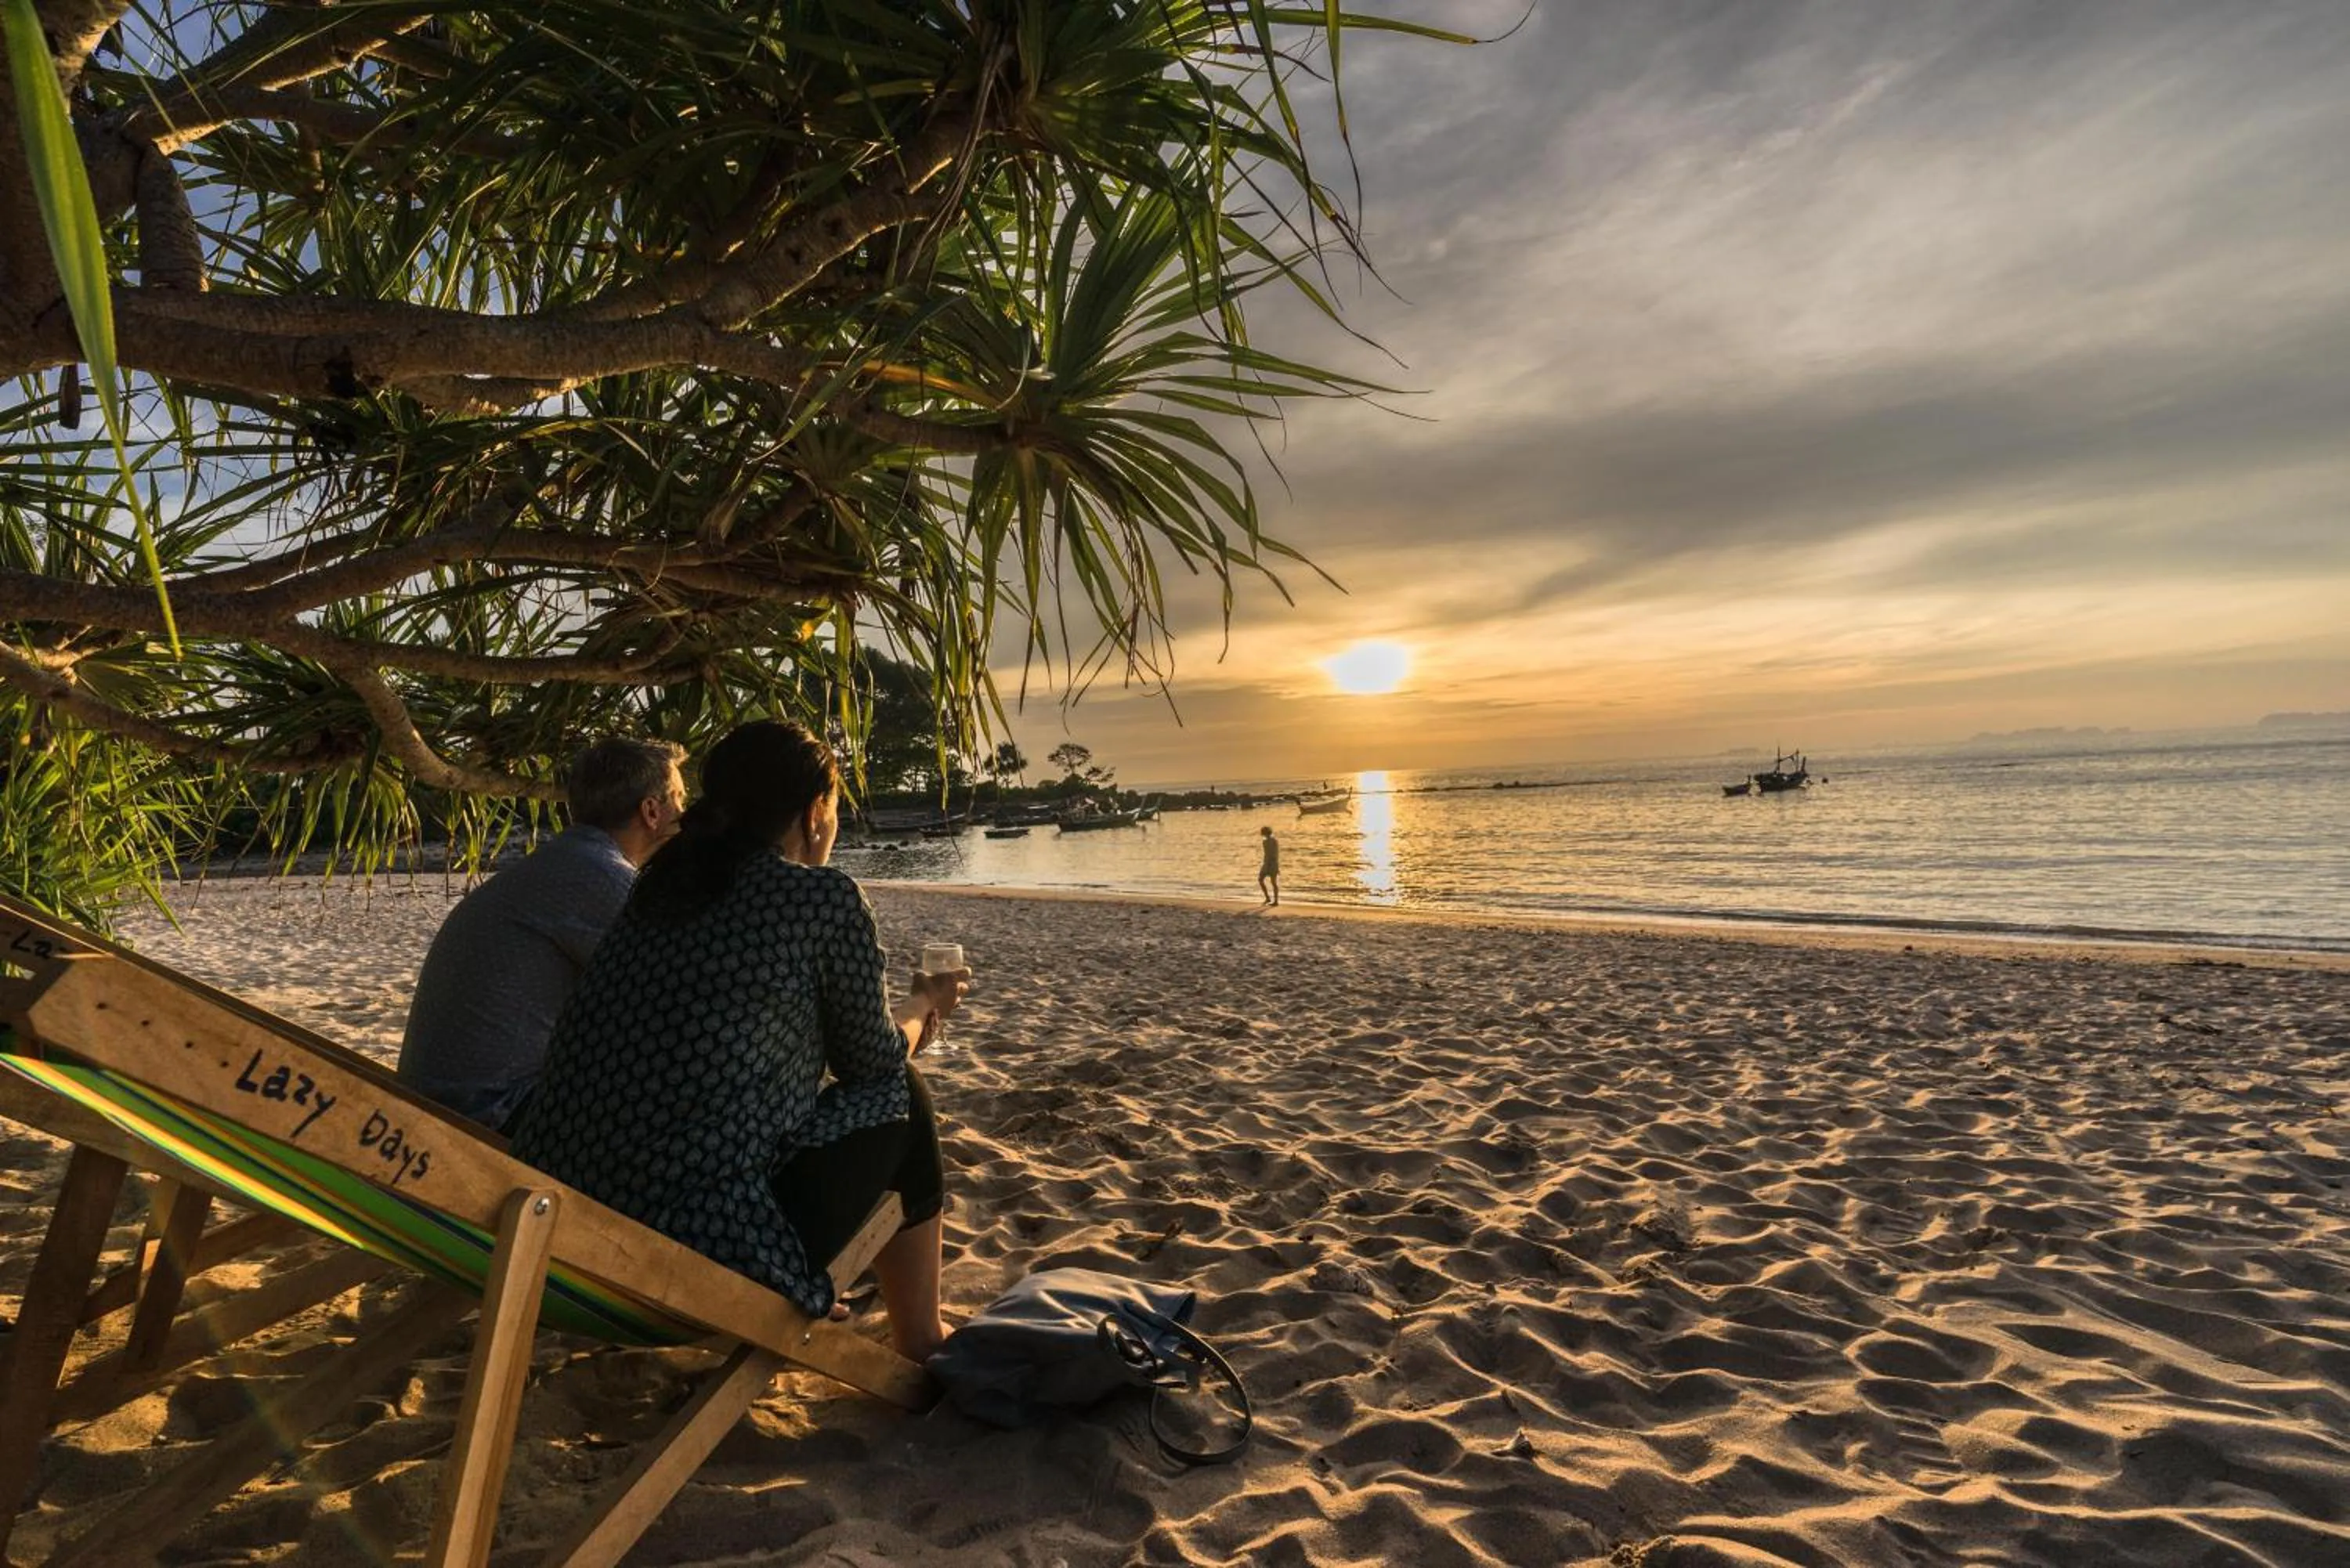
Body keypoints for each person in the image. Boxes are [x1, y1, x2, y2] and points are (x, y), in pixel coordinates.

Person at [509, 720, 968, 1360]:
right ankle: (922, 1336)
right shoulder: (818, 899)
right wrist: (924, 1005)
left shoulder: (660, 887)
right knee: (900, 1090)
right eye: (834, 810)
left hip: (564, 1225)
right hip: (693, 1250)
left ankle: (917, 1328)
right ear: (815, 812)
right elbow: (872, 1061)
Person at [397, 737, 685, 1133]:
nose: (685, 817)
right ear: (652, 811)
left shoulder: (564, 862)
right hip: (489, 1111)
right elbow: (681, 985)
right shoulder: (598, 876)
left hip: (440, 1100)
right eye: (681, 801)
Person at [1258, 825, 1281, 907]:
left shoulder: (1272, 841)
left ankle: (1274, 900)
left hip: (1271, 863)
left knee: (1272, 882)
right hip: (1270, 863)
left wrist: (1269, 864)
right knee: (1262, 880)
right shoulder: (1266, 842)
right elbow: (1268, 854)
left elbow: (1273, 854)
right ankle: (1269, 898)